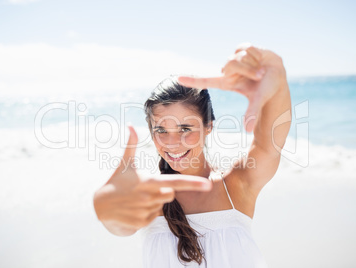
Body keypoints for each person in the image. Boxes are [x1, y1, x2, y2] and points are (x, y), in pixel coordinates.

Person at [93, 44, 292, 267]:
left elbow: (269, 144)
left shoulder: (236, 185)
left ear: (208, 126)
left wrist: (276, 78)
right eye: (160, 130)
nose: (172, 143)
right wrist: (105, 208)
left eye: (185, 128)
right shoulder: (149, 196)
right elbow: (120, 226)